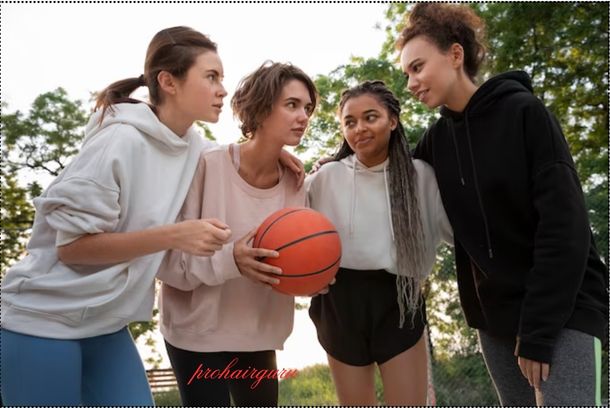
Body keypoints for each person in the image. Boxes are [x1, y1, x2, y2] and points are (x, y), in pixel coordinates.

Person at [0, 27, 304, 406]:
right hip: (40, 320)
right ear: (168, 81)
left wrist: (273, 151)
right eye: (211, 77)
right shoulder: (119, 141)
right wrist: (173, 235)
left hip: (107, 325)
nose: (222, 90)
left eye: (222, 78)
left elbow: (228, 155)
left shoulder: (191, 144)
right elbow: (73, 250)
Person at [397, 4, 608, 406]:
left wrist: (538, 331)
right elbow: (385, 169)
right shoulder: (437, 142)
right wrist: (333, 160)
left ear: (455, 55)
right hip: (496, 323)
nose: (411, 82)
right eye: (407, 73)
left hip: (562, 310)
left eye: (418, 67)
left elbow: (566, 228)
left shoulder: (524, 113)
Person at [156, 61, 318, 406]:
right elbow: (168, 264)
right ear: (260, 108)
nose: (303, 116)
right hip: (196, 334)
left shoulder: (295, 184)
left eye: (307, 108)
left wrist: (313, 276)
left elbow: (295, 263)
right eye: (292, 105)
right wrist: (232, 260)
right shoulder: (206, 165)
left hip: (258, 335)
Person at [306, 80, 452, 405]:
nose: (359, 128)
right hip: (340, 301)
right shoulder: (325, 178)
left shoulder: (420, 176)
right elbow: (291, 230)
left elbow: (457, 232)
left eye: (370, 117)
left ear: (393, 120)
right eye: (350, 122)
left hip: (399, 299)